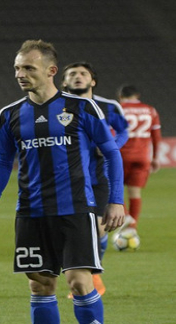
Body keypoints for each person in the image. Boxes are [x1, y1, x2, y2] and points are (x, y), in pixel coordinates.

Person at [0, 40, 124, 324]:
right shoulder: (9, 113)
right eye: (17, 68)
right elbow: (3, 158)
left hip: (75, 208)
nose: (20, 74)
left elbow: (111, 153)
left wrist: (115, 200)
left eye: (28, 68)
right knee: (40, 284)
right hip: (30, 210)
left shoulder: (83, 109)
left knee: (79, 282)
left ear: (51, 71)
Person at [61, 62, 128, 296]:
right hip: (67, 179)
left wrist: (111, 146)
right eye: (72, 74)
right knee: (70, 232)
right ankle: (80, 275)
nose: (77, 77)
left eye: (83, 74)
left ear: (93, 81)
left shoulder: (108, 107)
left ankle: (93, 276)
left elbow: (123, 131)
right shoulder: (55, 108)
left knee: (98, 230)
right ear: (64, 82)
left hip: (98, 175)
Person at [117, 84, 162, 231]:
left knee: (114, 188)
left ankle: (126, 217)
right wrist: (155, 157)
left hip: (121, 156)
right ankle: (133, 227)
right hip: (142, 157)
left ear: (121, 96)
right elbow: (156, 136)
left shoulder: (118, 109)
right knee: (135, 192)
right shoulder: (150, 110)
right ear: (137, 96)